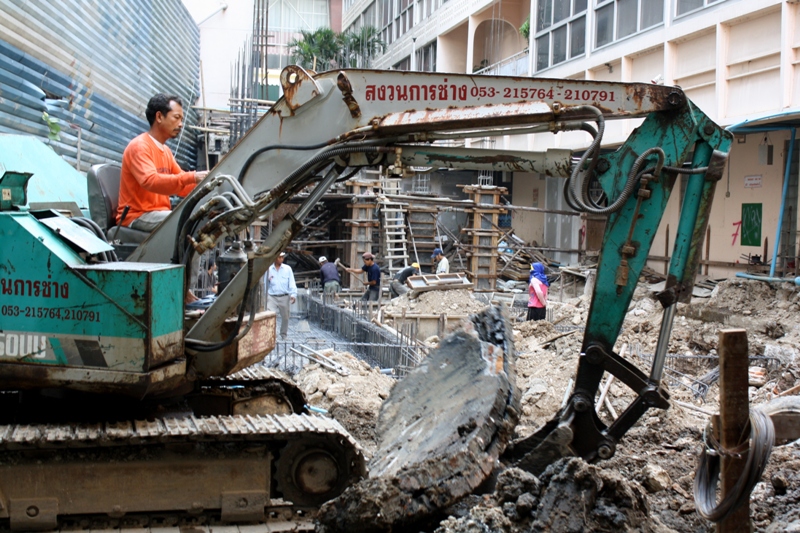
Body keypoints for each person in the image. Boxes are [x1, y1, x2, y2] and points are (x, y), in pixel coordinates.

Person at [117, 93, 208, 231]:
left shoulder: (165, 151)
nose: (181, 124)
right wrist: (193, 177)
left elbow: (182, 186)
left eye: (181, 119)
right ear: (159, 117)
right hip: (138, 215)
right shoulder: (139, 146)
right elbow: (150, 181)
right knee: (187, 222)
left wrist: (206, 185)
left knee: (201, 218)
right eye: (176, 118)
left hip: (158, 213)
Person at [267, 252, 297, 339]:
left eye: (282, 257)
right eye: (279, 257)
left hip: (284, 296)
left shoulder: (287, 269)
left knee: (285, 317)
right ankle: (272, 335)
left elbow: (291, 282)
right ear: (275, 258)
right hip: (272, 296)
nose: (281, 259)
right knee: (271, 316)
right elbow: (265, 283)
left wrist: (293, 294)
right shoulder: (269, 269)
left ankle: (283, 334)